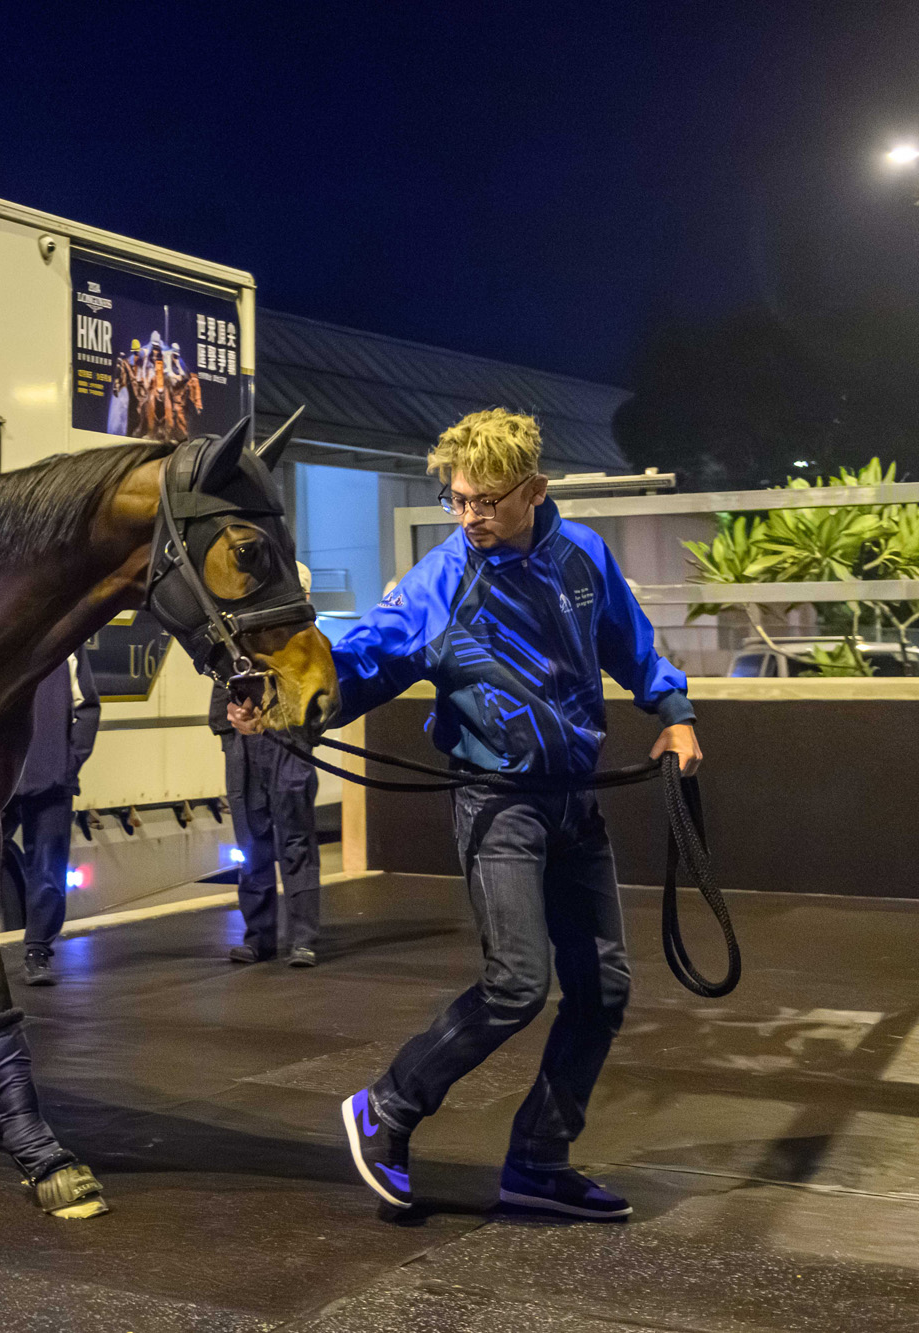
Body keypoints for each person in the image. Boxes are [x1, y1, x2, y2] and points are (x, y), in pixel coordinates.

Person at [231, 408, 700, 1221]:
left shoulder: (582, 555)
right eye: (457, 500)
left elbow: (630, 643)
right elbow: (364, 659)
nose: (470, 516)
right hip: (498, 804)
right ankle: (388, 1106)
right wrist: (278, 702)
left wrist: (674, 710)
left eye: (487, 501)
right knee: (518, 982)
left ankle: (538, 1160)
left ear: (535, 491)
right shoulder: (439, 581)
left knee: (604, 990)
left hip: (574, 803)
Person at [0, 649, 100, 987]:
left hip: (52, 780)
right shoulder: (0, 638)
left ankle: (37, 952)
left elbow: (88, 708)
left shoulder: (68, 646)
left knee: (48, 870)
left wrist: (69, 764)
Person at [215, 562, 321, 968]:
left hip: (289, 745)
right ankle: (259, 937)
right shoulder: (237, 641)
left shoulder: (307, 646)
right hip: (244, 749)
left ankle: (303, 940)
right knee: (251, 843)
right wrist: (228, 734)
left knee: (295, 842)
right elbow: (219, 688)